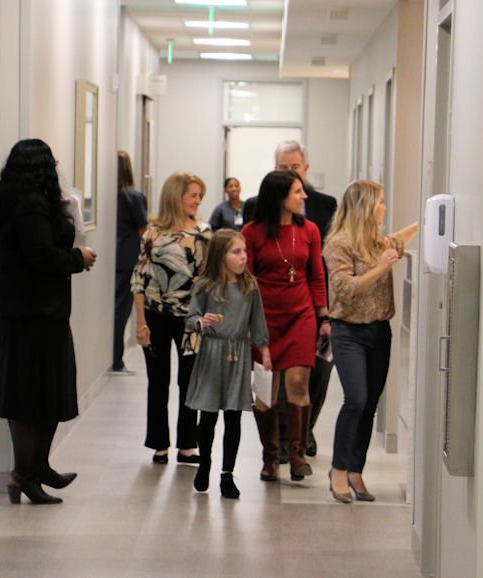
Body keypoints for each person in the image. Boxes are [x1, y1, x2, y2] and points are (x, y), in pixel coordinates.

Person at [0, 138, 97, 504]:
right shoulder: (31, 205)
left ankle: (37, 467)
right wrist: (78, 257)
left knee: (47, 392)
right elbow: (41, 256)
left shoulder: (21, 200)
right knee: (30, 396)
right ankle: (24, 473)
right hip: (33, 316)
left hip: (36, 314)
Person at [322, 180, 418, 503]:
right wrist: (380, 268)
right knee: (356, 400)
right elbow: (345, 287)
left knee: (370, 404)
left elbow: (396, 241)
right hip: (349, 332)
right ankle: (337, 470)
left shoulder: (376, 241)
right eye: (380, 202)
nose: (384, 208)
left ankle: (355, 470)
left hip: (379, 333)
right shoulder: (338, 243)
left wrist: (424, 223)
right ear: (365, 206)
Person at [243, 140, 337, 461]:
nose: (288, 174)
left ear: (305, 169)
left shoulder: (321, 211)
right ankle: (277, 446)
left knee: (307, 378)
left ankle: (300, 438)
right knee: (269, 382)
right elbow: (246, 270)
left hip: (306, 308)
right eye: (282, 168)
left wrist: (323, 313)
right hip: (267, 312)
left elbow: (321, 268)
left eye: (294, 168)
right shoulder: (254, 214)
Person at [132, 172, 212, 465]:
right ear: (176, 196)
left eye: (199, 195)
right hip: (155, 317)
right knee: (158, 380)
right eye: (192, 194)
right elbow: (139, 280)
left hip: (191, 320)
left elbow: (208, 278)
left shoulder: (204, 232)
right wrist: (140, 323)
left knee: (189, 380)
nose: (197, 200)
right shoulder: (153, 233)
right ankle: (159, 443)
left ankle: (188, 444)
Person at [185, 229, 271, 499]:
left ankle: (227, 475)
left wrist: (264, 350)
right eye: (236, 252)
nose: (243, 257)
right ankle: (205, 463)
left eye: (244, 251)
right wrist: (201, 322)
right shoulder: (205, 285)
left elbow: (258, 321)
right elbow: (191, 317)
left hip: (238, 356)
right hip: (211, 355)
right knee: (208, 416)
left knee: (233, 417)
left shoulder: (249, 286)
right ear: (220, 256)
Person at [110, 151, 148, 375]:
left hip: (114, 258)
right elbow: (143, 229)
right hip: (129, 259)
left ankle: (113, 357)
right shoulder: (132, 196)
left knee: (115, 310)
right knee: (120, 311)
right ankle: (116, 360)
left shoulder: (110, 196)